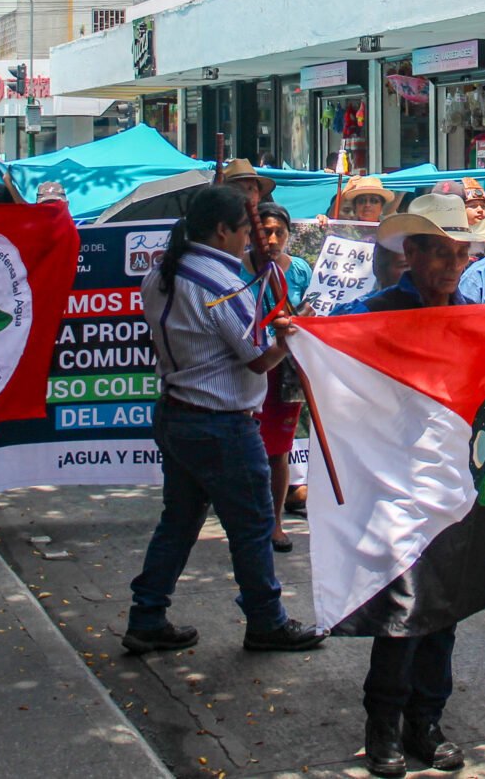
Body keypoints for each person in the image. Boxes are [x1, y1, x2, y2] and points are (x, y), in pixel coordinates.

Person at [122, 186, 325, 658]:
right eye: (243, 231)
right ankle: (266, 620)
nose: (249, 241)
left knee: (178, 522)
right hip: (220, 421)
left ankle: (147, 615)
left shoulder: (161, 273)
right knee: (253, 524)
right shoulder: (221, 283)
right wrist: (291, 335)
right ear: (222, 231)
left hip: (176, 411)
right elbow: (256, 358)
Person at [335, 192, 485, 778]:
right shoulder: (377, 312)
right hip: (395, 486)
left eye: (460, 255)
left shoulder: (476, 316)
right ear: (413, 253)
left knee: (442, 613)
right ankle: (384, 725)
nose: (451, 268)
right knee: (402, 611)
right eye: (441, 255)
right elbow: (327, 341)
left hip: (454, 485)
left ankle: (427, 721)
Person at [251, 202, 312, 553]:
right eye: (265, 232)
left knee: (279, 452)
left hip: (285, 373)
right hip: (249, 369)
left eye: (279, 233)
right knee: (251, 450)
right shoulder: (239, 271)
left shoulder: (300, 269)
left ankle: (274, 524)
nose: (272, 240)